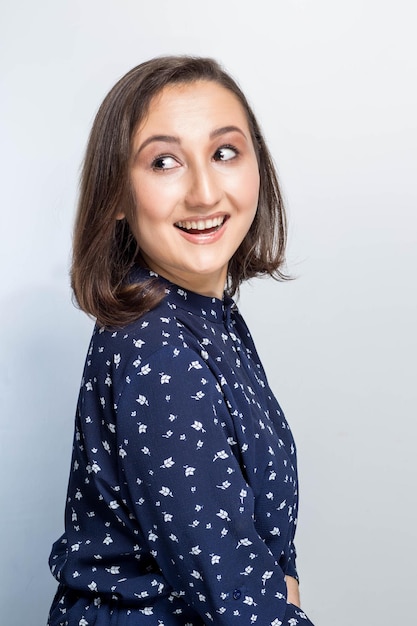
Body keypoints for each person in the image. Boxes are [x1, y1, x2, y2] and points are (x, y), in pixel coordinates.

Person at [47, 55, 315, 626]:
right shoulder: (153, 344)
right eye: (164, 162)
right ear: (116, 195)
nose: (203, 192)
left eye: (224, 153)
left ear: (256, 168)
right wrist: (278, 598)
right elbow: (234, 600)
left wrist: (279, 587)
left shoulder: (209, 317)